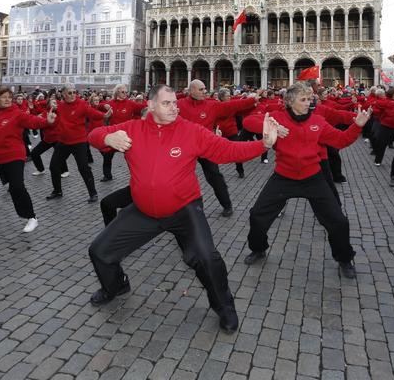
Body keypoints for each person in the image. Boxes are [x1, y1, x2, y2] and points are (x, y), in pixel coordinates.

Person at [86, 85, 278, 334]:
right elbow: (94, 134)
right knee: (99, 251)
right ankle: (116, 285)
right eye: (166, 103)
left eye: (175, 102)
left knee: (207, 259)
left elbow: (226, 151)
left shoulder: (191, 131)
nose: (174, 107)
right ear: (151, 106)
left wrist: (263, 145)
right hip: (144, 211)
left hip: (184, 209)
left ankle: (224, 307)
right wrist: (106, 138)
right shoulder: (131, 130)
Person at [241, 82, 371, 279]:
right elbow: (248, 122)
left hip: (313, 178)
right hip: (283, 177)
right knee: (257, 215)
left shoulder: (318, 121)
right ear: (290, 102)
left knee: (338, 221)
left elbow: (341, 140)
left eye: (309, 99)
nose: (309, 102)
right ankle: (258, 249)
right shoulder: (278, 117)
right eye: (303, 99)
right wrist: (271, 126)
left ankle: (345, 259)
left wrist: (357, 125)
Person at [0, 87, 53, 233]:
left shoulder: (17, 114)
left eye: (9, 97)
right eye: (4, 97)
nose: (7, 99)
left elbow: (33, 121)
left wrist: (47, 121)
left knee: (17, 188)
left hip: (13, 157)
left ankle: (31, 218)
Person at [178, 79, 257, 216]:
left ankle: (227, 205)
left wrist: (251, 100)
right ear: (191, 91)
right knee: (177, 176)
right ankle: (175, 207)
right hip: (185, 147)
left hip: (205, 147)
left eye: (205, 89)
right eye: (201, 89)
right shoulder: (179, 105)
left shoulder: (211, 105)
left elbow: (232, 106)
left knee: (214, 176)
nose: (205, 92)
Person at [45, 83, 109, 203]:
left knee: (83, 168)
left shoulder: (82, 104)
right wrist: (50, 104)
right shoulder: (59, 106)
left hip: (79, 141)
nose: (73, 95)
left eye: (74, 92)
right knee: (54, 166)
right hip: (63, 142)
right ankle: (57, 191)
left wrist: (104, 116)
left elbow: (93, 114)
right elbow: (49, 111)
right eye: (69, 92)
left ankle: (93, 193)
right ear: (63, 94)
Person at [100, 84, 145, 181]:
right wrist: (104, 105)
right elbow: (98, 106)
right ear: (117, 92)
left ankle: (135, 176)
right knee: (107, 156)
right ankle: (107, 175)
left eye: (126, 92)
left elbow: (142, 107)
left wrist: (153, 104)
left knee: (131, 158)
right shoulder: (110, 103)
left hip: (126, 135)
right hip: (113, 135)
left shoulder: (130, 103)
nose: (125, 94)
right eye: (123, 92)